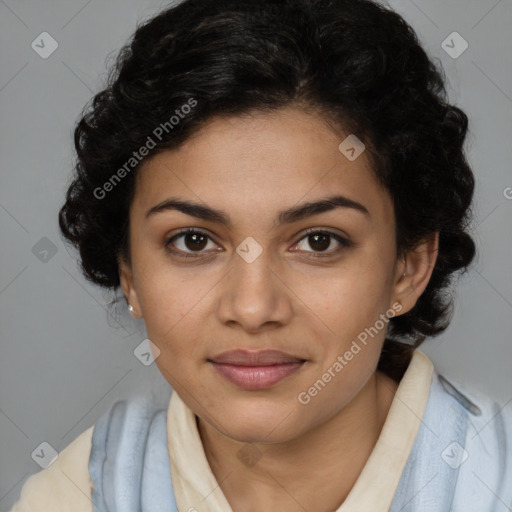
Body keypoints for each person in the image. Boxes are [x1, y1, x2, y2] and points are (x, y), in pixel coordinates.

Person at [9, 0, 512, 510]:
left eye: (319, 241)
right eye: (193, 241)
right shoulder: (74, 495)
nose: (252, 310)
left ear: (409, 266)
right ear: (129, 272)